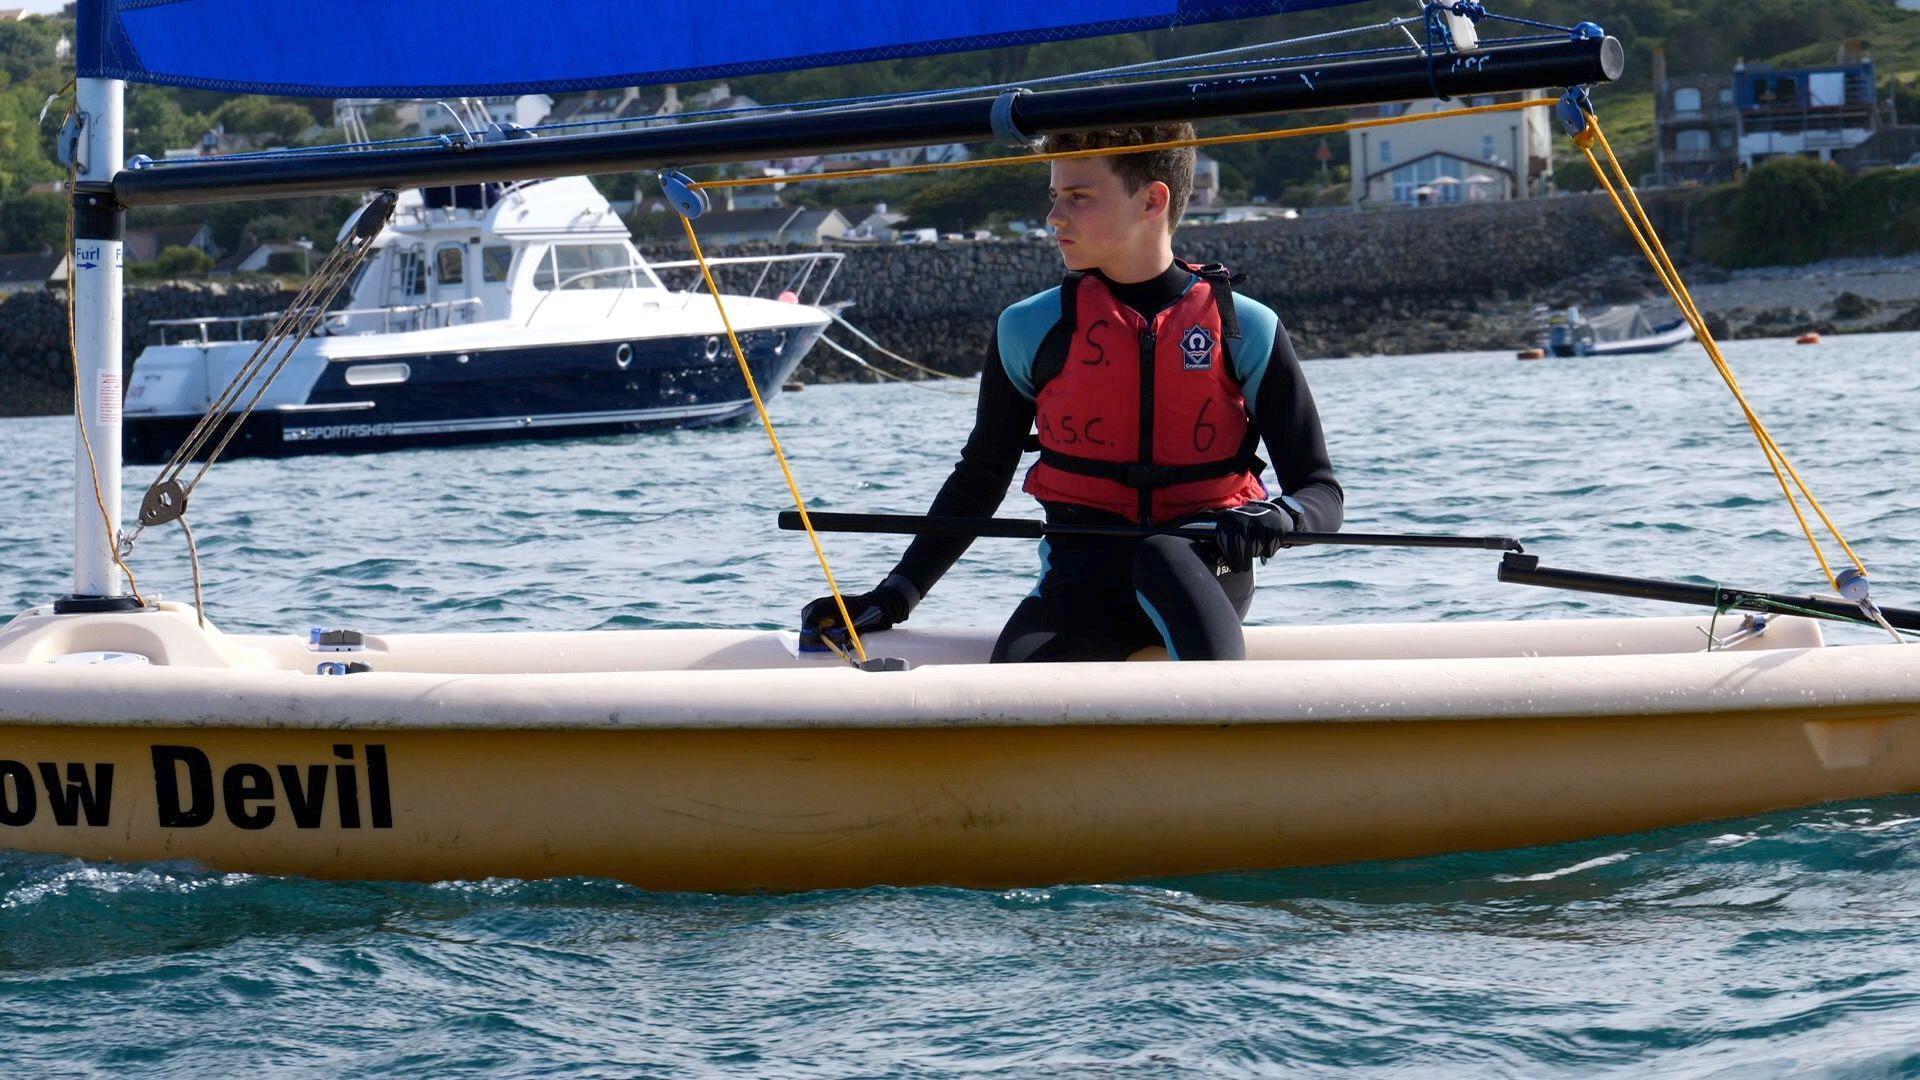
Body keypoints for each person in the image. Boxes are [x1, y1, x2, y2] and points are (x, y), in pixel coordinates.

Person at [800, 123, 1342, 662]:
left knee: (1162, 556)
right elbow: (980, 480)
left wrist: (1282, 517)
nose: (1054, 216)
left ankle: (1224, 722)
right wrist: (896, 595)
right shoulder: (1029, 328)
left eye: (1078, 198)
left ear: (1152, 201)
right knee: (1013, 673)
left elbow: (1319, 490)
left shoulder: (1245, 326)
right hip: (1080, 575)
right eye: (1055, 196)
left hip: (1203, 567)